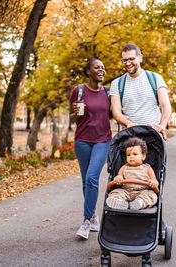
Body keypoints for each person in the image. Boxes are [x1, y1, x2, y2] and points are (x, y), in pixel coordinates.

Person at [69, 58, 111, 240]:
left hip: (103, 140)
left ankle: (86, 221)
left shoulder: (109, 93)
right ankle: (93, 216)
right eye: (97, 67)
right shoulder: (78, 91)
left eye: (103, 67)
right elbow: (72, 118)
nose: (101, 70)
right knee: (86, 180)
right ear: (89, 71)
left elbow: (115, 115)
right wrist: (76, 113)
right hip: (82, 141)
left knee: (92, 177)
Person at [110, 43, 171, 137]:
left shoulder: (155, 78)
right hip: (130, 137)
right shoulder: (117, 84)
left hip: (154, 136)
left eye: (131, 59)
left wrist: (161, 126)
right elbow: (116, 112)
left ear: (140, 58)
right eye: (125, 60)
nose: (128, 63)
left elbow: (165, 106)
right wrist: (128, 123)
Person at [106, 137, 158, 210]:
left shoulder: (147, 168)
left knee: (152, 195)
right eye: (128, 155)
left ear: (143, 156)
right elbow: (119, 176)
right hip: (126, 191)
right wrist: (118, 178)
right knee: (115, 192)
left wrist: (153, 181)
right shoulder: (124, 167)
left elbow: (153, 179)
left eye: (135, 154)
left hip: (142, 191)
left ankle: (139, 203)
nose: (131, 157)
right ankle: (120, 202)